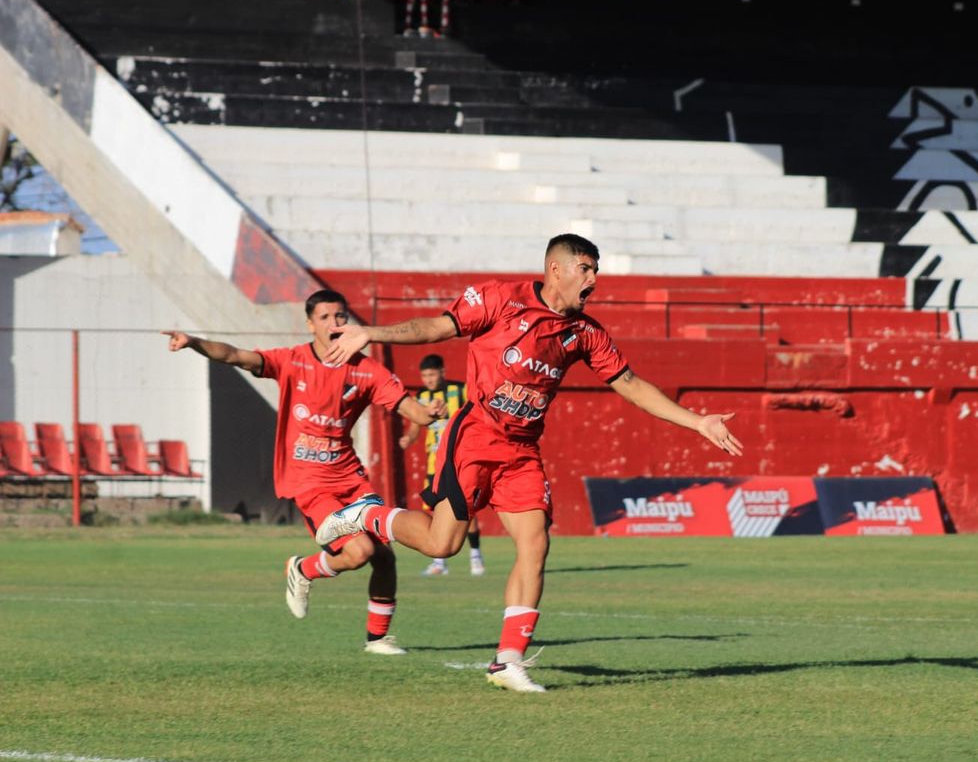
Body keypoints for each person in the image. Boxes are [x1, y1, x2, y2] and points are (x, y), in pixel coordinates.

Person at [314, 233, 743, 692]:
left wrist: (697, 422)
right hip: (476, 436)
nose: (594, 279)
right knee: (443, 545)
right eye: (586, 269)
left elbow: (632, 384)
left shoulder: (585, 333)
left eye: (596, 270)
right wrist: (371, 333)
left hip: (522, 452)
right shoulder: (500, 299)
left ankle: (508, 661)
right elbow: (437, 327)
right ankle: (366, 515)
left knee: (535, 544)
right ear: (556, 269)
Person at [162, 289, 445, 655]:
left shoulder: (366, 370)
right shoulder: (292, 361)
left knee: (385, 556)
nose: (334, 324)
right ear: (310, 324)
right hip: (309, 482)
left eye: (340, 316)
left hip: (350, 478)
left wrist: (431, 412)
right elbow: (233, 355)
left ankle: (377, 639)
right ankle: (306, 569)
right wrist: (194, 342)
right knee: (358, 552)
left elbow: (414, 411)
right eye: (325, 318)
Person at [399, 353, 485, 577]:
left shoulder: (461, 390)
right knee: (437, 512)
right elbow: (417, 424)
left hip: (459, 462)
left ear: (442, 372)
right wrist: (410, 438)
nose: (428, 379)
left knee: (464, 510)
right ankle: (439, 562)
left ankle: (475, 556)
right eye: (424, 375)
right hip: (433, 465)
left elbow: (477, 414)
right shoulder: (422, 396)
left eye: (432, 374)